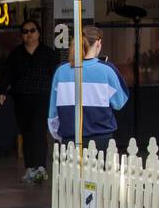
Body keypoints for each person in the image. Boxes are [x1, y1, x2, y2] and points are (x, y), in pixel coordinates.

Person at [0, 19, 59, 183]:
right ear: (21, 35)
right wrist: (1, 91)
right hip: (22, 99)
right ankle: (31, 167)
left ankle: (41, 167)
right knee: (26, 133)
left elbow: (56, 76)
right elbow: (6, 74)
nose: (29, 34)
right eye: (25, 31)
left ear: (38, 33)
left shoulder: (48, 53)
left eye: (32, 30)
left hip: (42, 97)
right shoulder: (16, 54)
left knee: (39, 131)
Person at [48, 25, 129, 153]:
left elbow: (53, 115)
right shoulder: (107, 70)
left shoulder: (61, 72)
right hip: (102, 140)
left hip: (69, 140)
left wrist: (60, 136)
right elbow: (119, 102)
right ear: (98, 43)